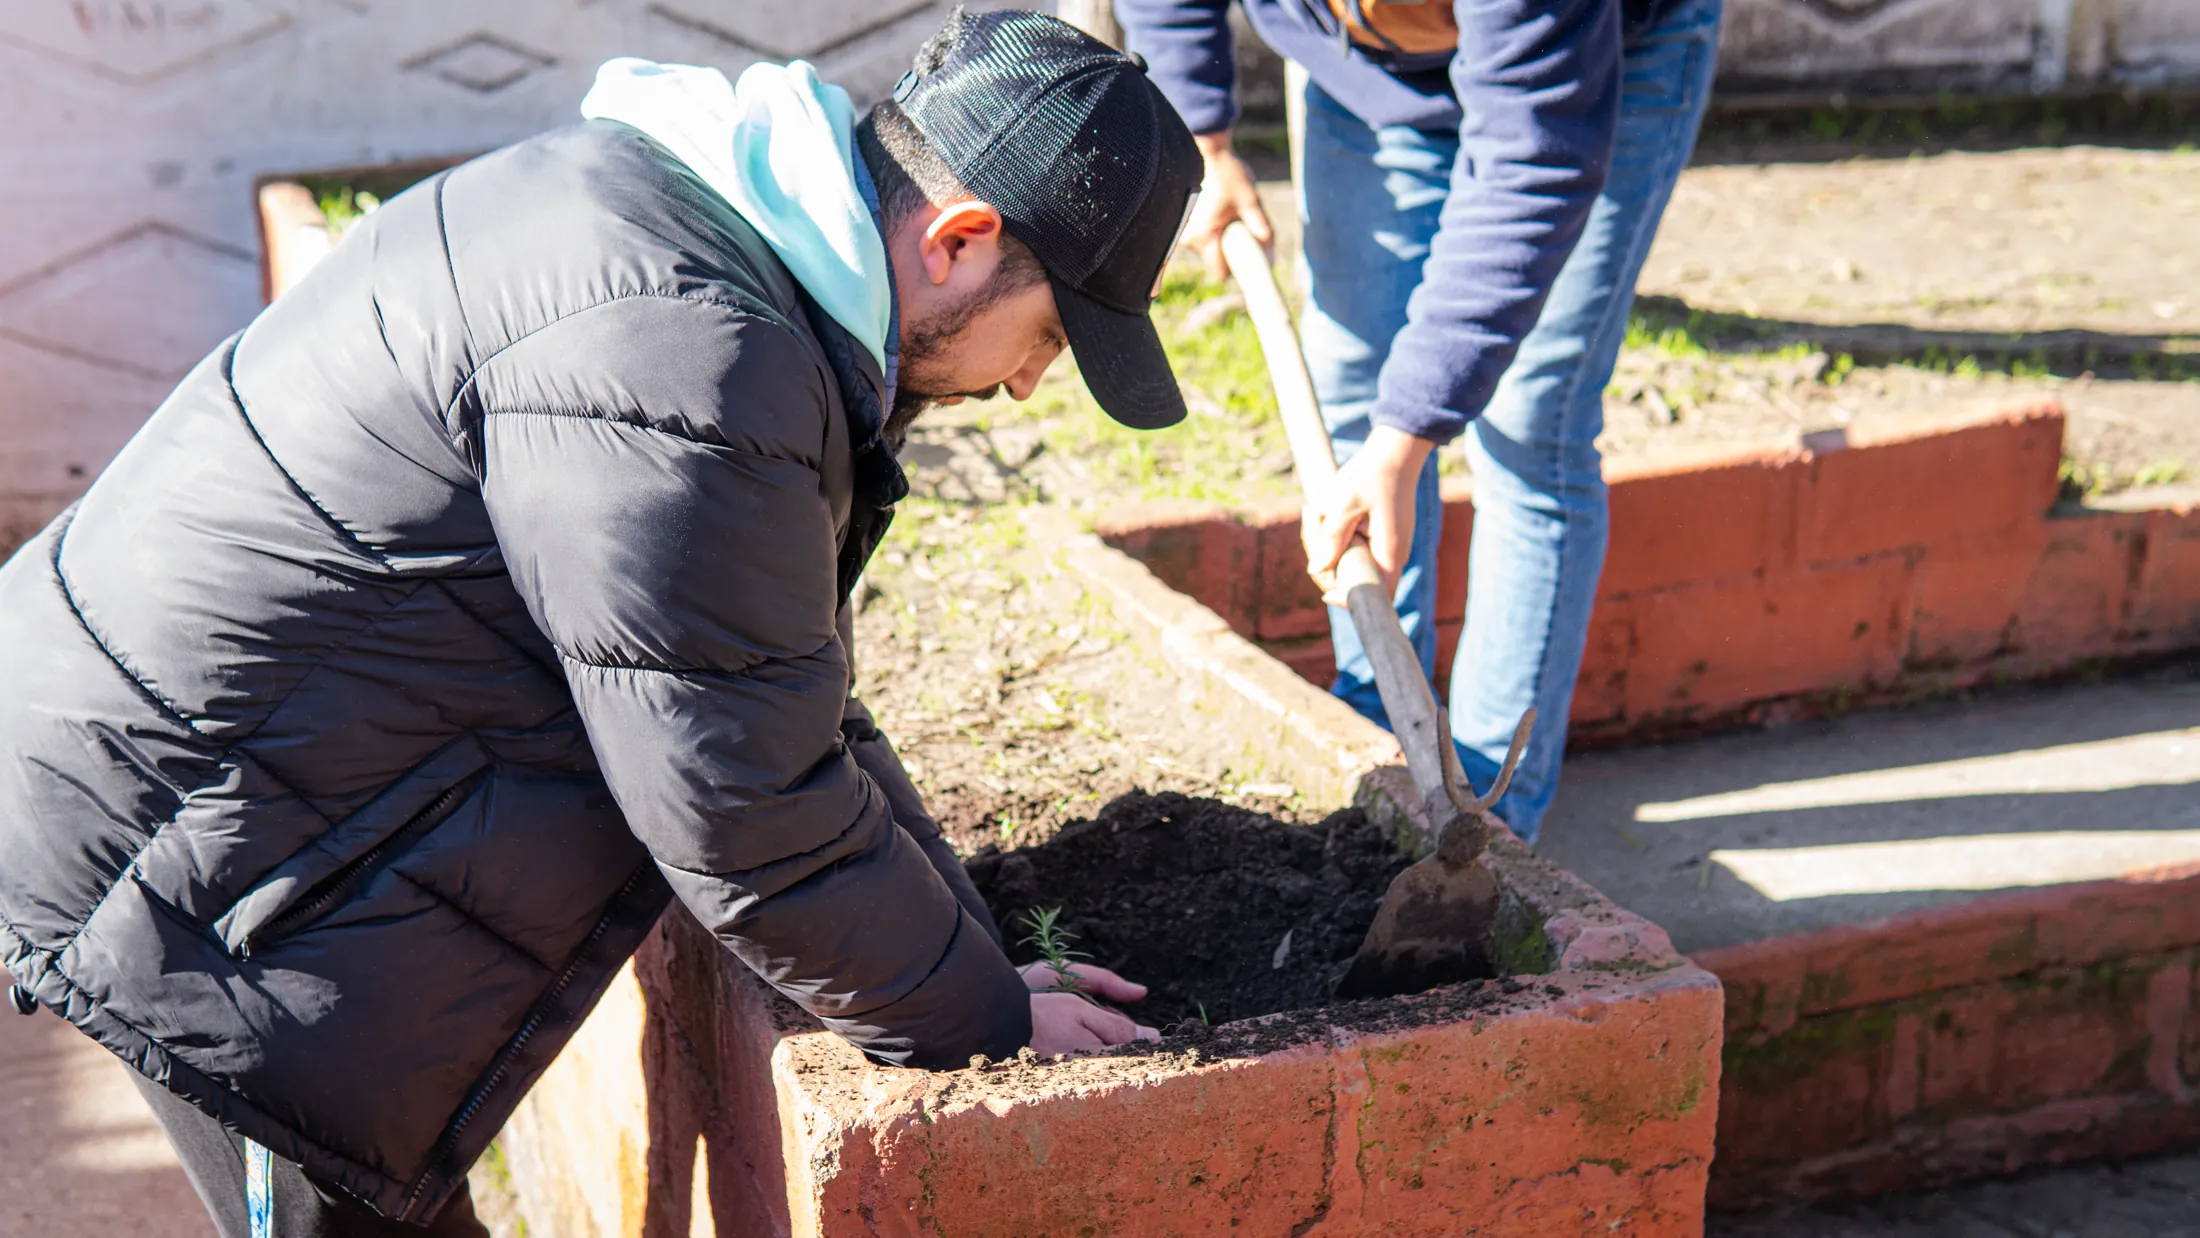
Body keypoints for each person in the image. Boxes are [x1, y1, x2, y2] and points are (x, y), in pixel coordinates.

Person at [0, 11, 1201, 1235]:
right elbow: (743, 797)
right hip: (197, 860)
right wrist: (983, 1023)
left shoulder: (685, 235)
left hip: (248, 789)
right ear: (956, 239)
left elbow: (773, 693)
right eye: (1048, 332)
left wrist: (975, 965)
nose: (1024, 383)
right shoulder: (688, 352)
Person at [1119, 0, 1722, 842]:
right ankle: (1385, 756)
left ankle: (1486, 824)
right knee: (1355, 390)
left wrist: (1405, 440)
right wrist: (1202, 138)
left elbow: (1532, 160)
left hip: (1597, 62)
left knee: (1530, 422)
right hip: (1367, 75)